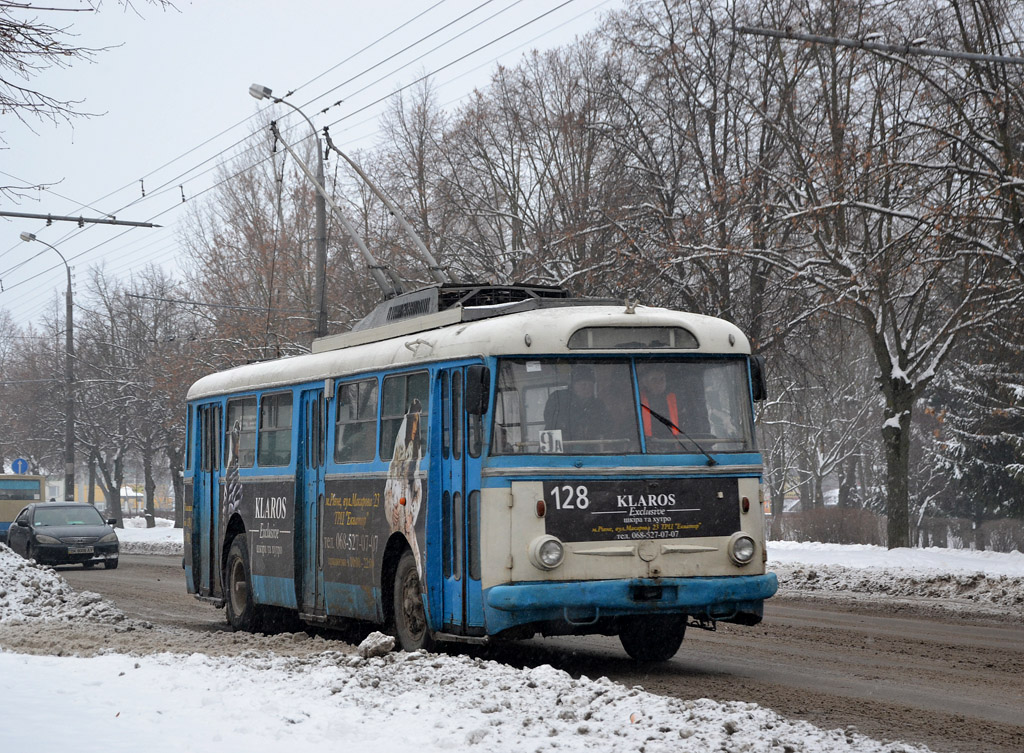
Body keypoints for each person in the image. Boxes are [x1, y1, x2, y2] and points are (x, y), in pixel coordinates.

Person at [638, 364, 709, 442]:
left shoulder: (676, 399)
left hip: (675, 446)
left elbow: (687, 423)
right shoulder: (638, 400)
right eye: (654, 380)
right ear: (645, 383)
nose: (659, 383)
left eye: (662, 379)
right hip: (648, 447)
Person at [543, 365, 606, 441]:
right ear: (573, 385)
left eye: (591, 385)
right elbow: (551, 421)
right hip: (559, 444)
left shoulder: (598, 405)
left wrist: (593, 429)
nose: (587, 388)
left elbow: (606, 425)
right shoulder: (558, 398)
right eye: (583, 384)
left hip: (589, 447)